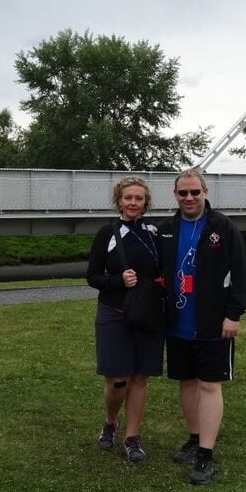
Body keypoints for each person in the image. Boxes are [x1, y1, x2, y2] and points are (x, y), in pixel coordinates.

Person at [159, 168, 246, 485]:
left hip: (213, 324)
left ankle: (205, 454)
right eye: (183, 193)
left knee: (209, 385)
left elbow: (242, 276)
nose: (189, 198)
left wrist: (234, 314)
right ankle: (193, 436)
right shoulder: (167, 229)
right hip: (177, 323)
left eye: (194, 192)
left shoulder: (222, 227)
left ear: (205, 192)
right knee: (186, 383)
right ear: (175, 195)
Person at [86, 176, 164, 463]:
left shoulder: (156, 233)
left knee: (140, 376)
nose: (133, 203)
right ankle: (111, 421)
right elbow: (92, 276)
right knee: (118, 379)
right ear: (119, 200)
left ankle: (132, 438)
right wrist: (118, 280)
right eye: (128, 197)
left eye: (139, 198)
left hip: (148, 313)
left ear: (146, 202)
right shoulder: (107, 233)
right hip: (114, 312)